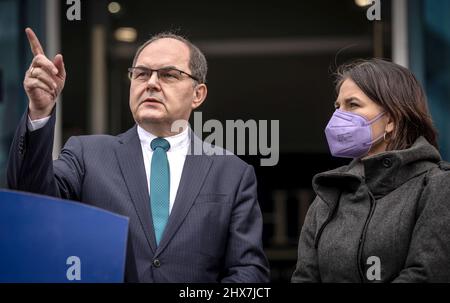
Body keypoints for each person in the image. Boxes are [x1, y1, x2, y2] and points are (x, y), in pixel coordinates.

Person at [7, 28, 269, 282]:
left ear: (197, 94)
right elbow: (32, 203)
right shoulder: (87, 154)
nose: (152, 84)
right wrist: (40, 112)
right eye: (141, 74)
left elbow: (248, 271)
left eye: (168, 75)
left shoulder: (232, 173)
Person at [291, 58, 450, 283]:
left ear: (391, 120)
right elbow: (304, 277)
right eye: (338, 106)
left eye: (352, 105)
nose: (338, 116)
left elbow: (427, 274)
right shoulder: (328, 196)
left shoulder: (437, 186)